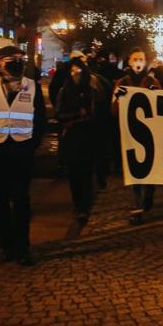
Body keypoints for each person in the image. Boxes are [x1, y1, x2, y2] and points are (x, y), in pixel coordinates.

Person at [0, 46, 47, 266]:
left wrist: (31, 145)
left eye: (20, 59)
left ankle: (23, 247)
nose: (17, 62)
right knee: (0, 201)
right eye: (11, 59)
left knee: (21, 200)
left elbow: (40, 119)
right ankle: (7, 246)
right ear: (0, 63)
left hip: (21, 150)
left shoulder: (32, 86)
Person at [112, 47, 162, 224]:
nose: (138, 62)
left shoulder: (152, 82)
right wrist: (119, 99)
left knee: (148, 169)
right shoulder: (121, 83)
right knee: (134, 170)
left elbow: (161, 106)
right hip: (129, 134)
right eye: (135, 59)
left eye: (141, 59)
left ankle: (148, 194)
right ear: (129, 62)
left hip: (149, 134)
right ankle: (136, 207)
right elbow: (114, 110)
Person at [56, 57, 106, 225]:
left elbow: (95, 114)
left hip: (87, 138)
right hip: (71, 139)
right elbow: (59, 113)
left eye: (78, 70)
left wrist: (80, 117)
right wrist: (77, 115)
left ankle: (83, 207)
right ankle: (78, 204)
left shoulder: (90, 89)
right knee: (73, 175)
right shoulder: (65, 90)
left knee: (85, 174)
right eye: (72, 71)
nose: (75, 74)